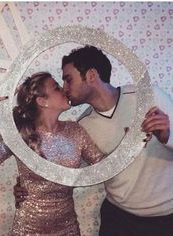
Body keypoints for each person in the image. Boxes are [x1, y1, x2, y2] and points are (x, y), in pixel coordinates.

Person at [15, 46, 173, 236]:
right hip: (117, 218)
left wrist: (166, 136)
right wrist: (28, 185)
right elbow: (68, 171)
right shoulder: (83, 126)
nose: (64, 89)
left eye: (68, 79)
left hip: (165, 217)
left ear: (91, 75)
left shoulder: (149, 97)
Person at [0, 72, 106, 235]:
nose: (64, 89)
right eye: (57, 88)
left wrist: (132, 143)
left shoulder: (75, 130)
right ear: (42, 101)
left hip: (67, 228)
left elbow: (104, 167)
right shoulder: (22, 133)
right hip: (28, 228)